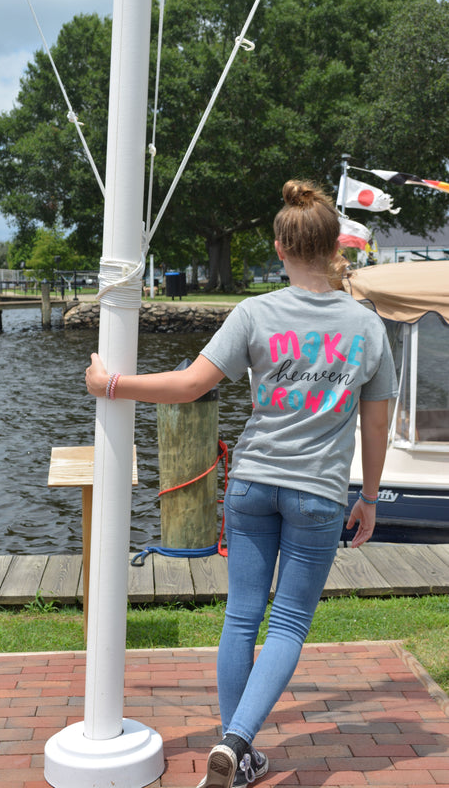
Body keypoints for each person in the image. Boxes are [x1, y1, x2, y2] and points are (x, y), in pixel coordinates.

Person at [85, 179, 398, 788]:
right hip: (317, 494)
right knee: (287, 623)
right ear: (337, 246)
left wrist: (113, 384)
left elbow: (190, 386)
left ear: (279, 246)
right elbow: (376, 423)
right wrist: (367, 498)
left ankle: (236, 748)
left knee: (241, 616)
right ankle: (236, 743)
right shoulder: (367, 326)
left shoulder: (255, 312)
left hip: (253, 482)